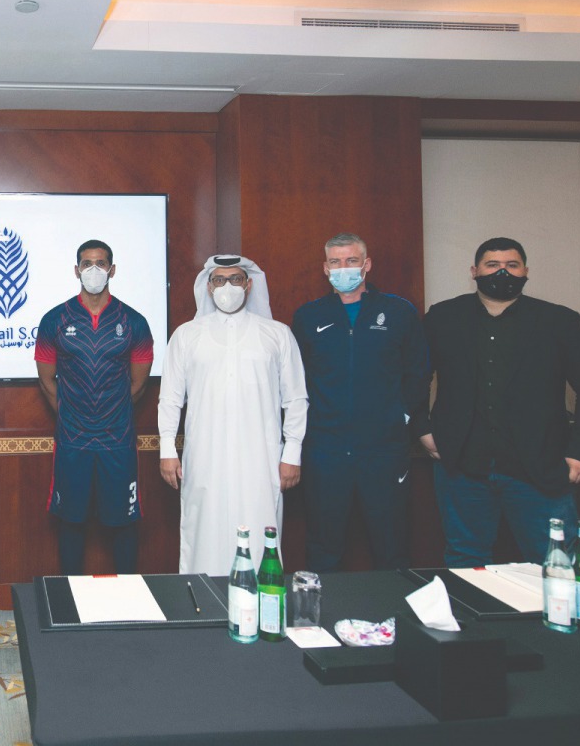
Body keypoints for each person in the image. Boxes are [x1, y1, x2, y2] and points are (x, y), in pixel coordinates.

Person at [418, 237, 580, 566]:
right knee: (465, 561)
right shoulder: (443, 317)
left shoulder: (559, 320)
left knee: (557, 564)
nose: (502, 272)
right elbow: (413, 377)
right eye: (493, 265)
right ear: (474, 271)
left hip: (541, 468)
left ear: (526, 272)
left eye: (512, 265)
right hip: (463, 468)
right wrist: (422, 428)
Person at [159, 255, 307, 574]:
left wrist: (292, 453)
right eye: (219, 280)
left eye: (235, 279)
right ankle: (202, 607)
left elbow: (295, 399)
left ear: (249, 284)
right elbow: (170, 398)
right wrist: (167, 451)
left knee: (259, 531)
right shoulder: (186, 335)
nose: (228, 287)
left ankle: (257, 609)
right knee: (202, 532)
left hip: (262, 458)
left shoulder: (277, 335)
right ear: (209, 287)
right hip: (204, 457)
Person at [291, 233, 429, 572]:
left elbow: (418, 372)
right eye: (336, 262)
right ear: (325, 269)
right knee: (324, 548)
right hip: (326, 450)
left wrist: (405, 418)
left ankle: (394, 621)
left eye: (351, 261)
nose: (344, 268)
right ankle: (319, 620)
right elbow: (298, 381)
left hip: (384, 450)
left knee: (390, 546)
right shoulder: (309, 316)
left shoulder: (398, 312)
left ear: (366, 265)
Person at [35, 239, 154, 575]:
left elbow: (138, 384)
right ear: (76, 270)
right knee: (71, 521)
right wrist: (74, 415)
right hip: (73, 441)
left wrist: (107, 413)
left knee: (123, 523)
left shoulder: (134, 322)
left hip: (117, 441)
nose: (94, 270)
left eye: (100, 263)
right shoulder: (54, 320)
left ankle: (130, 600)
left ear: (112, 270)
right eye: (87, 264)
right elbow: (47, 381)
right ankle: (69, 600)